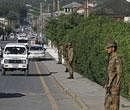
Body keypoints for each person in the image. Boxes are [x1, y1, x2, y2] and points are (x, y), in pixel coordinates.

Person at [104, 41, 122, 110]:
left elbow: (119, 73)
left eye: (108, 47)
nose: (106, 49)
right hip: (109, 86)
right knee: (107, 105)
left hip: (114, 87)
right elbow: (109, 72)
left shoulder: (117, 58)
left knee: (114, 107)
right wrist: (107, 83)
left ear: (113, 48)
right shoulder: (110, 58)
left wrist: (117, 86)